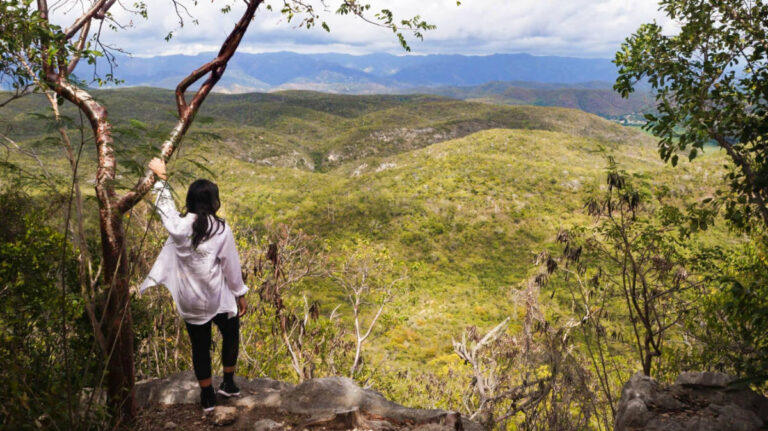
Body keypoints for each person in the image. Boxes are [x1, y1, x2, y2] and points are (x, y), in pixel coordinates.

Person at [140, 157, 248, 412]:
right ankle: (229, 383)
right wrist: (240, 294)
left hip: (189, 299)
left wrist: (161, 179)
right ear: (213, 202)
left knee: (200, 346)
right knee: (231, 332)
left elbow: (164, 206)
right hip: (216, 295)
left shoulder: (178, 226)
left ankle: (207, 396)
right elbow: (231, 267)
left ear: (190, 200)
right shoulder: (220, 228)